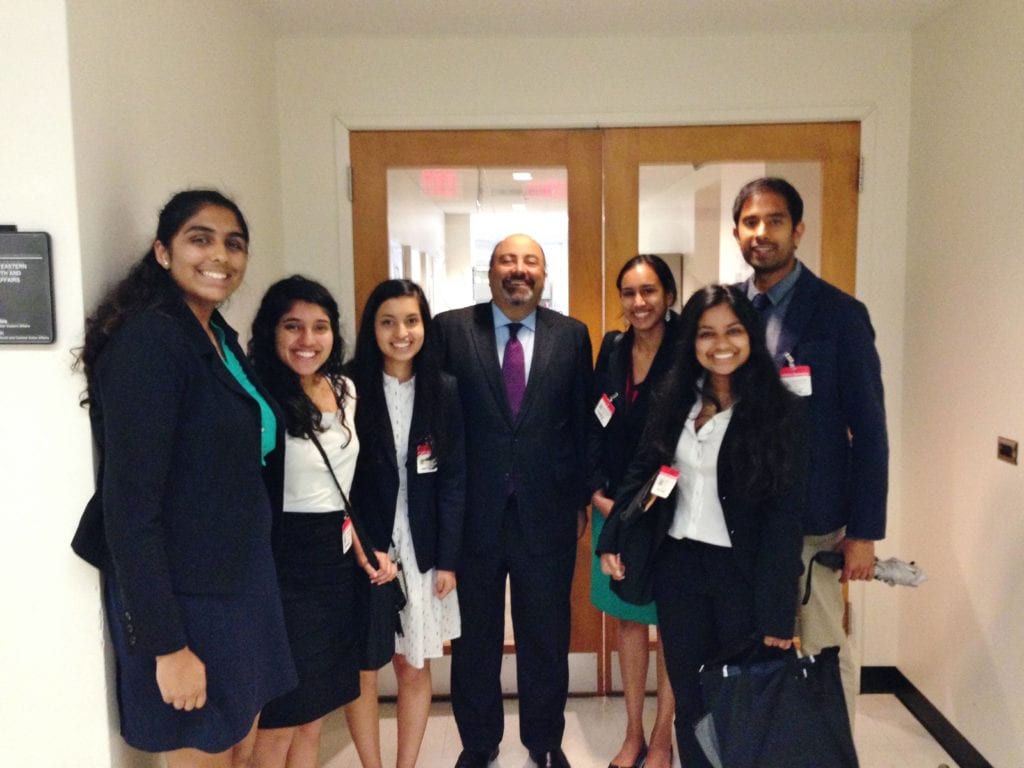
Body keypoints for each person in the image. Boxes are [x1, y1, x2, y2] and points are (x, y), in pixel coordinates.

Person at [70, 190, 297, 767]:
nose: (220, 255)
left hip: (239, 580)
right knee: (204, 749)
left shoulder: (215, 335)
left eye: (234, 244)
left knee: (240, 743)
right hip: (186, 598)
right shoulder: (149, 342)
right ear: (163, 252)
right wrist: (167, 647)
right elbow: (130, 507)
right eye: (201, 239)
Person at [600, 284, 806, 768]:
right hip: (679, 570)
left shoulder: (780, 411)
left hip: (741, 576)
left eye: (733, 331)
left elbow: (785, 520)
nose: (721, 344)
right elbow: (642, 471)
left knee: (739, 703)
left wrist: (779, 614)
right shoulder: (675, 399)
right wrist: (611, 538)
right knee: (690, 699)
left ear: (751, 336)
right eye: (707, 333)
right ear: (691, 340)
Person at [434, 234, 593, 768]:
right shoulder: (452, 330)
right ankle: (478, 744)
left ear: (544, 274)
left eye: (530, 261)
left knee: (546, 639)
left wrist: (579, 498)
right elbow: (437, 419)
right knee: (474, 642)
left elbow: (581, 425)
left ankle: (544, 742)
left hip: (546, 516)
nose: (518, 269)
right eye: (507, 260)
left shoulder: (572, 336)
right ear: (491, 271)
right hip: (472, 517)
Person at [732, 176, 888, 722]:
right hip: (742, 521)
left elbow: (870, 429)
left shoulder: (840, 314)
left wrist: (864, 532)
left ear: (797, 230)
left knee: (822, 651)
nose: (761, 232)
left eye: (774, 221)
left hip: (813, 520)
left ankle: (834, 754)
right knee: (750, 651)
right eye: (750, 222)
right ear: (736, 232)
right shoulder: (728, 310)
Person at [247, 275, 395, 768]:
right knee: (281, 720)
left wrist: (362, 546)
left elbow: (343, 487)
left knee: (313, 715)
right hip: (282, 562)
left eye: (320, 326)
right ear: (271, 331)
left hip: (335, 562)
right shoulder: (260, 399)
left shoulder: (344, 388)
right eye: (293, 326)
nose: (307, 340)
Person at [344, 278, 466, 768]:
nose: (401, 333)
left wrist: (449, 560)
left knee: (413, 664)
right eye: (388, 322)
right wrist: (362, 544)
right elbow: (340, 478)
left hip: (423, 548)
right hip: (365, 548)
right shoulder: (347, 386)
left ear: (425, 326)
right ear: (371, 328)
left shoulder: (444, 389)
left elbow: (454, 479)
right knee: (363, 669)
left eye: (411, 321)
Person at [589, 255, 677, 768]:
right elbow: (593, 424)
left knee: (672, 623)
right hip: (611, 505)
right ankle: (632, 733)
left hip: (666, 511)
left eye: (649, 291)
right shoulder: (613, 348)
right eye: (629, 292)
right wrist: (594, 491)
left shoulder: (687, 350)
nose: (639, 302)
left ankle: (663, 738)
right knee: (627, 619)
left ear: (668, 295)